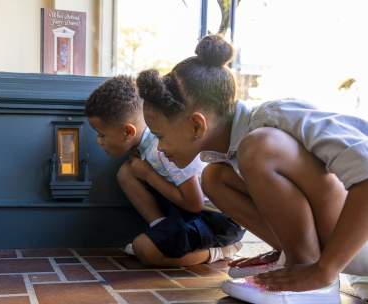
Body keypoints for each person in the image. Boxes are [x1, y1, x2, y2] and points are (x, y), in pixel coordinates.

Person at [136, 34, 368, 303]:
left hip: (356, 243)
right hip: (345, 252)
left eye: (160, 136)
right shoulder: (228, 156)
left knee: (259, 148)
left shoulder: (277, 117)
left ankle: (308, 273)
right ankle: (292, 257)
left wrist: (324, 270)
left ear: (197, 126)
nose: (160, 149)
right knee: (215, 177)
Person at [85, 75, 244, 267]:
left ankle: (222, 250)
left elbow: (194, 203)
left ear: (128, 132)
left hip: (219, 220)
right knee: (126, 173)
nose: (98, 141)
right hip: (190, 211)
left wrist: (148, 175)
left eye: (102, 135)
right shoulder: (146, 146)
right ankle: (162, 230)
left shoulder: (163, 149)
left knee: (145, 250)